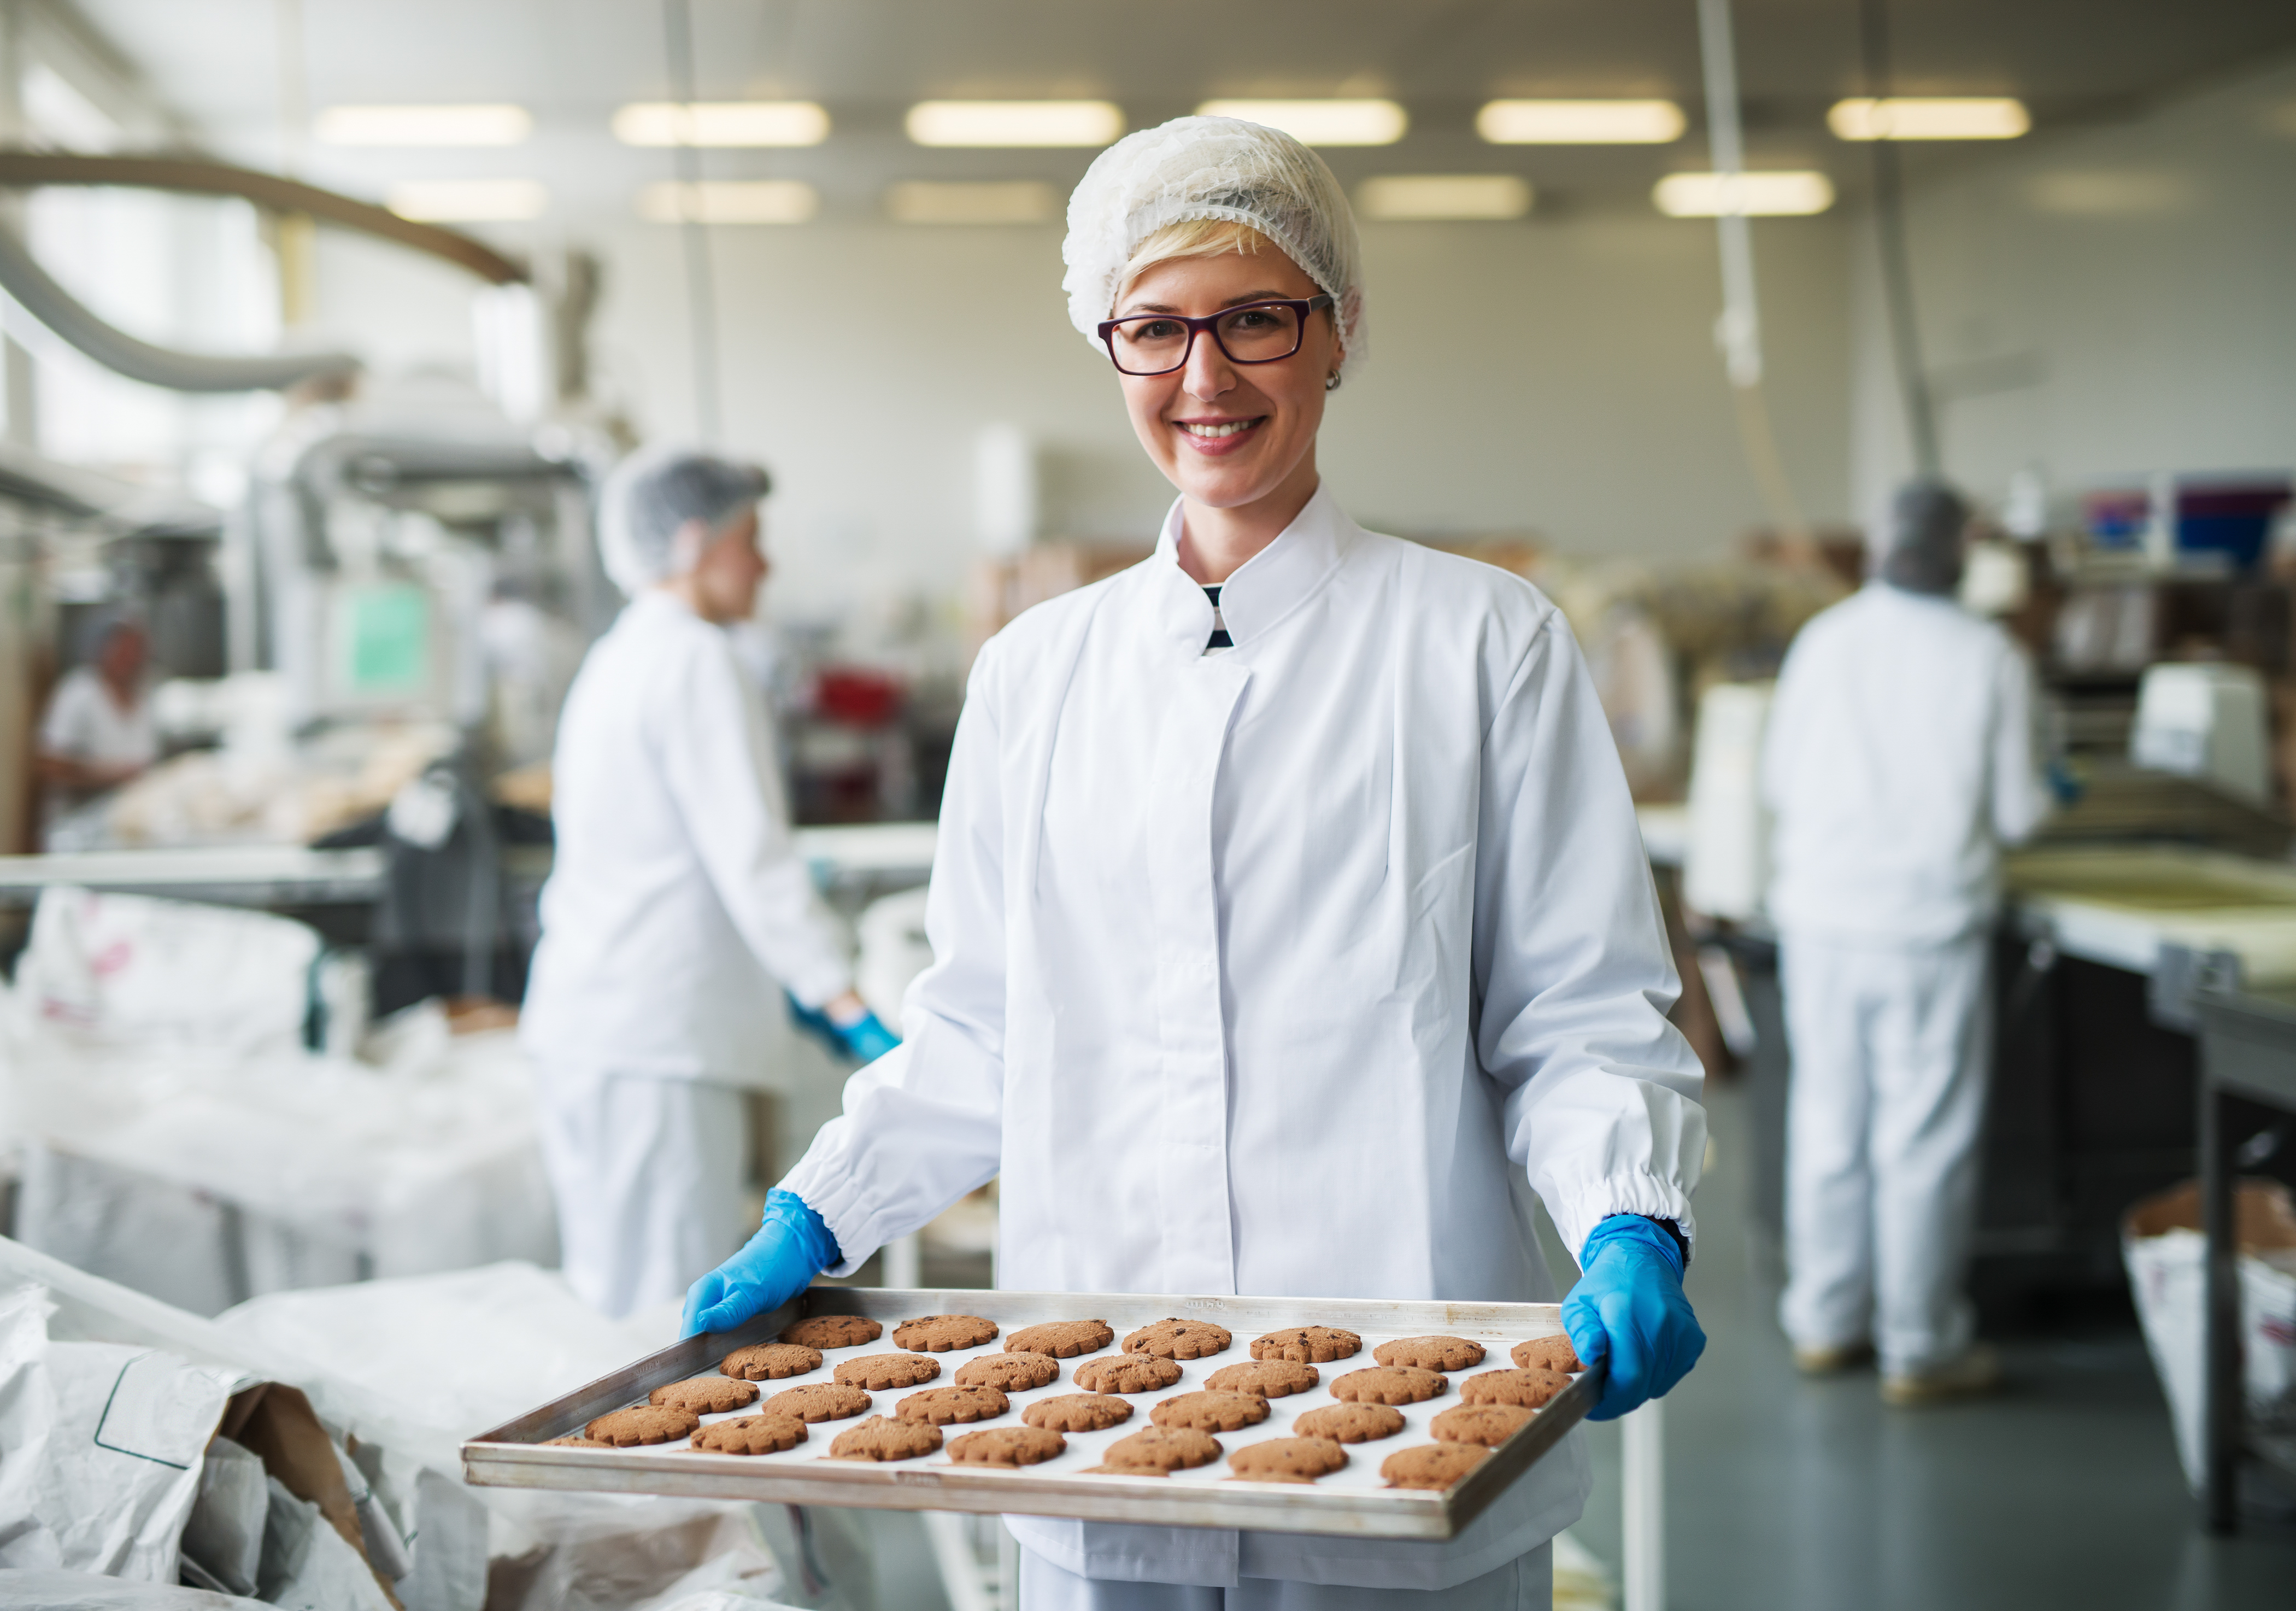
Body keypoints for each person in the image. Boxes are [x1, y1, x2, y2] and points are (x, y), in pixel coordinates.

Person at [685, 118, 1710, 1606]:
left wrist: (1627, 1212)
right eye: (1154, 329)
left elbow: (1577, 1013)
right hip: (1096, 1440)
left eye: (1254, 319)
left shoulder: (1482, 645)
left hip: (1404, 1432)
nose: (1204, 377)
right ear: (1107, 342)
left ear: (1340, 330)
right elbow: (979, 1025)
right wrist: (822, 1208)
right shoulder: (1037, 673)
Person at [519, 447, 895, 1319]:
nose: (764, 563)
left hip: (598, 1027)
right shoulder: (696, 658)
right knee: (664, 1321)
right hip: (657, 1041)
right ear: (694, 542)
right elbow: (753, 858)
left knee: (613, 1301)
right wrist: (848, 1007)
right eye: (750, 538)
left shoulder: (620, 655)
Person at [1762, 478, 2051, 1404]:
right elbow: (2021, 812)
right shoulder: (1990, 655)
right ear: (1961, 550)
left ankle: (1824, 1322)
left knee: (1828, 1125)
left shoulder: (1825, 639)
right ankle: (1920, 1346)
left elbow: (1777, 780)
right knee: (1921, 1138)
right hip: (1927, 926)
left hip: (1821, 919)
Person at [37, 618, 156, 845]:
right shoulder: (79, 693)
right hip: (77, 831)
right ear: (104, 651)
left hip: (128, 832)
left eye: (137, 652)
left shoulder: (146, 696)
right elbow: (49, 765)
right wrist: (112, 775)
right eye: (124, 651)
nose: (131, 660)